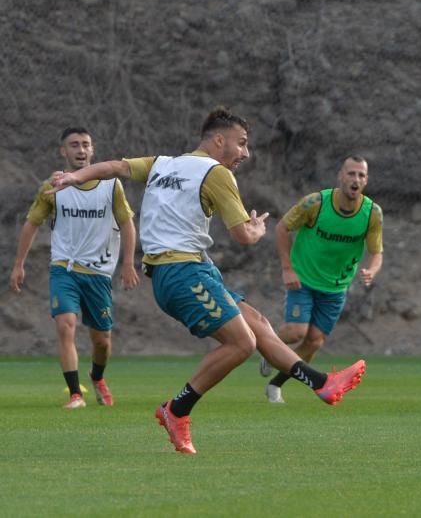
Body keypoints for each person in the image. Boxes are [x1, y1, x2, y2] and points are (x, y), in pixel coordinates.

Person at [48, 107, 366, 454]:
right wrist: (257, 229)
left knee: (258, 326)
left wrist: (75, 177)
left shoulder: (164, 163)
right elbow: (243, 235)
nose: (245, 152)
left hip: (183, 272)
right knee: (241, 344)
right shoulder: (216, 173)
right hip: (183, 273)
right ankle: (176, 410)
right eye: (241, 143)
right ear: (219, 140)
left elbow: (115, 167)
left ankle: (321, 383)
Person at [9, 127, 139, 409]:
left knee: (102, 340)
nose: (80, 150)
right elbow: (32, 223)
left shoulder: (110, 185)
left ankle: (98, 377)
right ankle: (75, 395)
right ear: (63, 151)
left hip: (99, 273)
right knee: (65, 326)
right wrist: (19, 265)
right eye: (74, 145)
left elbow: (127, 224)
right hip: (64, 268)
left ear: (92, 151)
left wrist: (128, 263)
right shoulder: (52, 187)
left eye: (85, 145)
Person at [258, 156, 383, 404]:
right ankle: (269, 347)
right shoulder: (316, 203)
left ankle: (275, 386)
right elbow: (282, 228)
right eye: (351, 174)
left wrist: (372, 270)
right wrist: (287, 268)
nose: (355, 179)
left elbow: (377, 252)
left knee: (314, 342)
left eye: (361, 175)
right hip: (302, 279)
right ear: (340, 176)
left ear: (366, 180)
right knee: (295, 332)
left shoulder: (372, 213)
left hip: (336, 288)